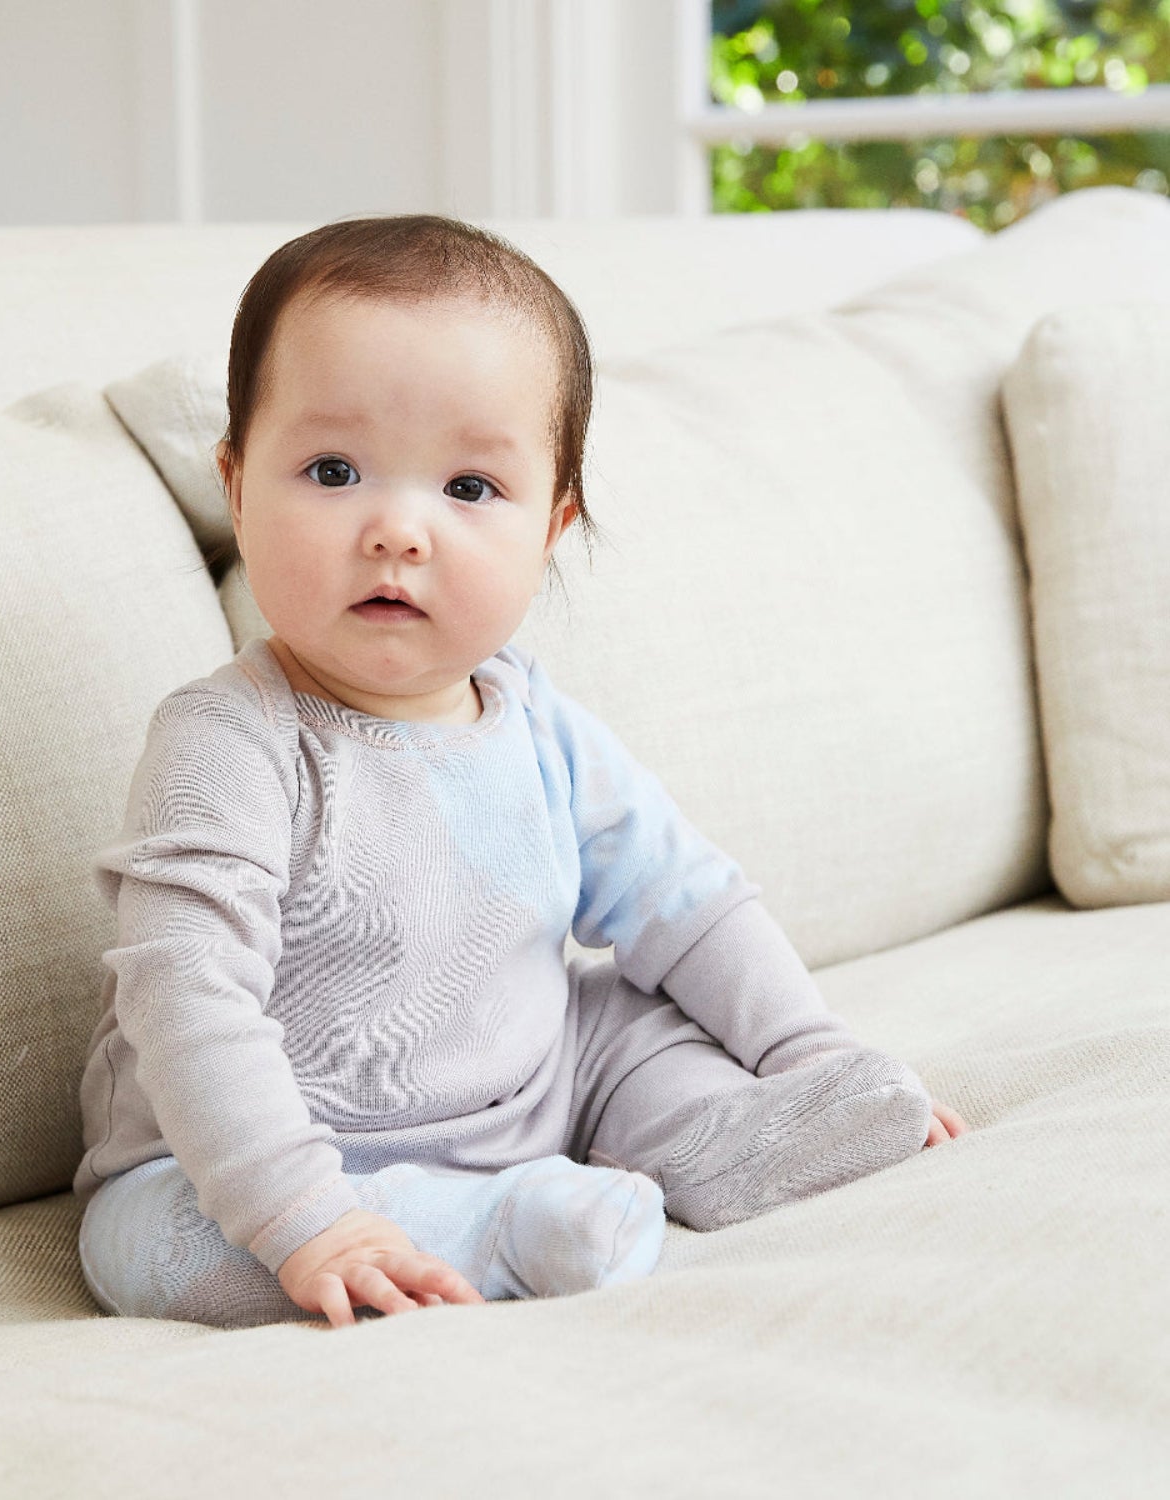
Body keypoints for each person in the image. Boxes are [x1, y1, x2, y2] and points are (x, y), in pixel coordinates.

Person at [73, 213, 968, 1332]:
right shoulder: (230, 743)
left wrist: (805, 1055)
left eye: (468, 488)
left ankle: (723, 1140)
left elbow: (689, 905)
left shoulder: (539, 724)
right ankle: (498, 1227)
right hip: (254, 1157)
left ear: (552, 526)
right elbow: (188, 999)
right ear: (239, 484)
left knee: (632, 1018)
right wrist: (305, 1217)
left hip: (535, 1085)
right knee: (145, 1250)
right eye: (334, 470)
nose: (399, 529)